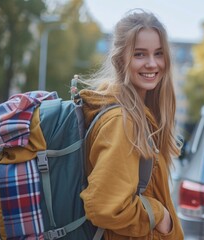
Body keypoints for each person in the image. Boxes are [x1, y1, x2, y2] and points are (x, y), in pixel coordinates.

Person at [78, 9, 184, 240]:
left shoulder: (141, 117)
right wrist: (161, 216)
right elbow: (105, 207)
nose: (152, 63)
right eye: (139, 54)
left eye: (158, 53)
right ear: (119, 59)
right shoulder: (122, 122)